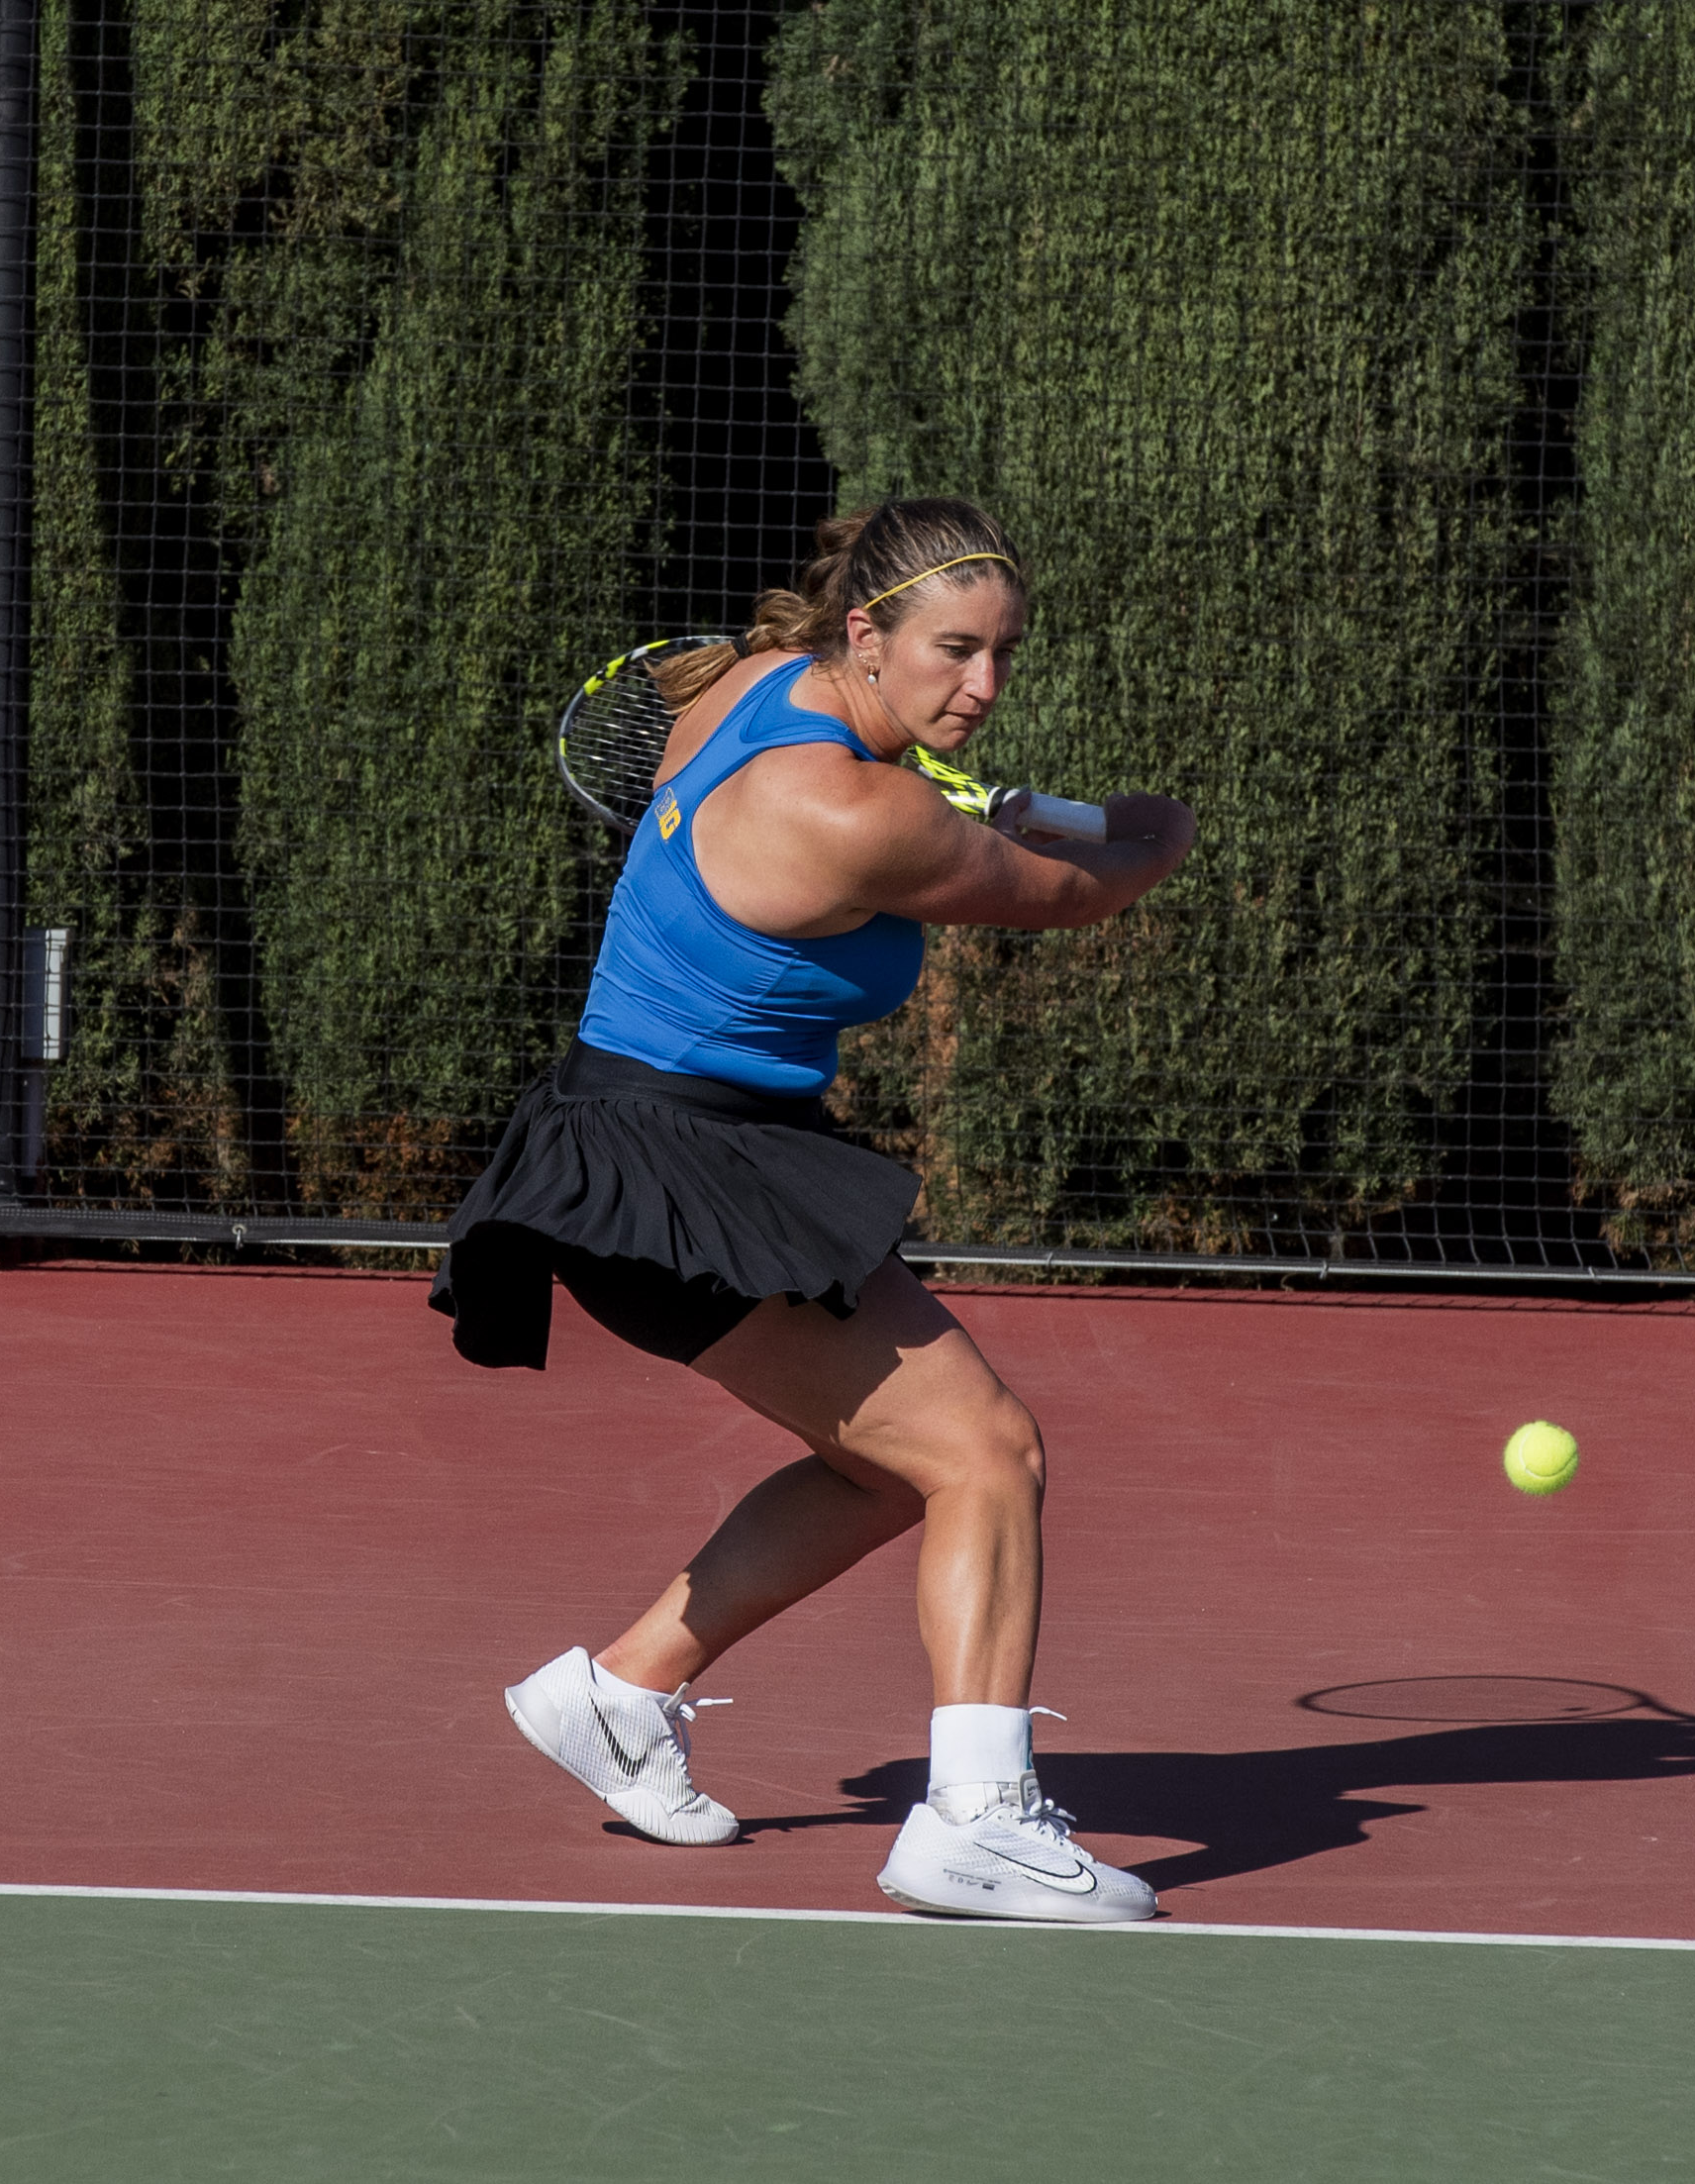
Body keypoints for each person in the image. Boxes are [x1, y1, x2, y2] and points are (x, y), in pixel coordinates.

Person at [432, 499, 1195, 1923]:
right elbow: (1085, 889)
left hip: (635, 1151)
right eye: (954, 651)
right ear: (866, 631)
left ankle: (619, 1694)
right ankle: (977, 1817)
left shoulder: (748, 685)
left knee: (893, 1464)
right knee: (989, 1451)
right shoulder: (862, 813)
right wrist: (1158, 828)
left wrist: (961, 784)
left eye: (1002, 655)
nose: (982, 686)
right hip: (681, 1176)